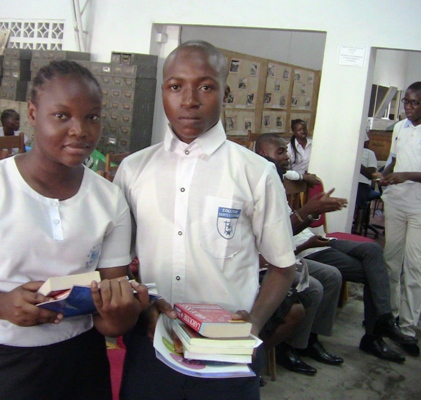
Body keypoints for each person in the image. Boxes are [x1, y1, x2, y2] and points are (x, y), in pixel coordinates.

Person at [0, 60, 149, 400]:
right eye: (62, 116)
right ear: (33, 114)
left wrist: (120, 315)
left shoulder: (110, 199)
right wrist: (1, 305)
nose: (80, 130)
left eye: (92, 116)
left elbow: (111, 309)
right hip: (2, 364)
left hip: (81, 362)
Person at [114, 40, 296, 400]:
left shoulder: (255, 173)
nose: (189, 100)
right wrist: (145, 306)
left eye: (206, 86)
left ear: (225, 93)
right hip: (152, 343)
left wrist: (253, 326)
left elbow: (282, 267)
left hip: (226, 354)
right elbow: (117, 264)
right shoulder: (134, 170)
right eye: (175, 86)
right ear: (163, 90)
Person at [256, 133, 412, 363]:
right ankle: (373, 331)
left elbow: (293, 186)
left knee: (373, 252)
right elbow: (277, 233)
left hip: (310, 238)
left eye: (286, 151)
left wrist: (314, 209)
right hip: (301, 246)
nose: (287, 156)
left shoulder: (277, 175)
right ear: (262, 155)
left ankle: (383, 322)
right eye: (281, 152)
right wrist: (309, 211)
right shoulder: (256, 180)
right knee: (367, 274)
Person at [377, 81, 421, 357]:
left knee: (414, 269)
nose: (408, 107)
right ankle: (389, 318)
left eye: (414, 103)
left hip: (418, 208)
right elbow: (394, 160)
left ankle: (408, 326)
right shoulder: (400, 128)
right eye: (406, 101)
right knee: (391, 263)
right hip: (395, 203)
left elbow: (407, 170)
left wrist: (406, 175)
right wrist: (385, 174)